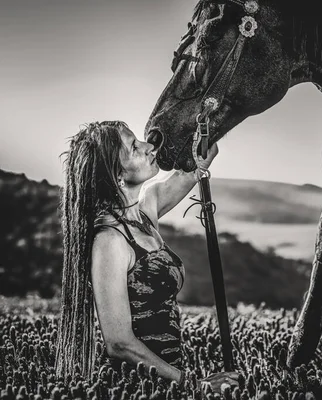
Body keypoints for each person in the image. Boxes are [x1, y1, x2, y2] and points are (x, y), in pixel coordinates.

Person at [54, 120, 239, 392]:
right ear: (118, 175)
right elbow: (119, 343)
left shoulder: (145, 210)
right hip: (136, 388)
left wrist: (204, 119)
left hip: (171, 380)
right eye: (134, 147)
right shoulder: (110, 241)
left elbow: (202, 159)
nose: (149, 146)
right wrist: (196, 385)